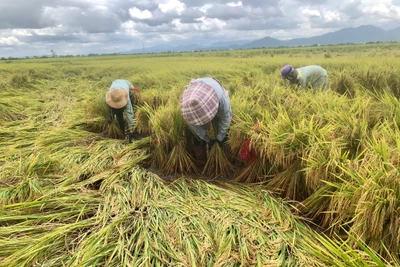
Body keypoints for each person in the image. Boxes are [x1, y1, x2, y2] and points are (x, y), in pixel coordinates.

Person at [180, 77, 232, 164]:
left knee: (223, 134)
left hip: (213, 94)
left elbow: (226, 119)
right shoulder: (188, 109)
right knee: (198, 138)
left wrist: (219, 138)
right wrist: (207, 139)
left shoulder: (222, 100)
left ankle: (226, 161)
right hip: (197, 91)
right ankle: (201, 162)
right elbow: (196, 128)